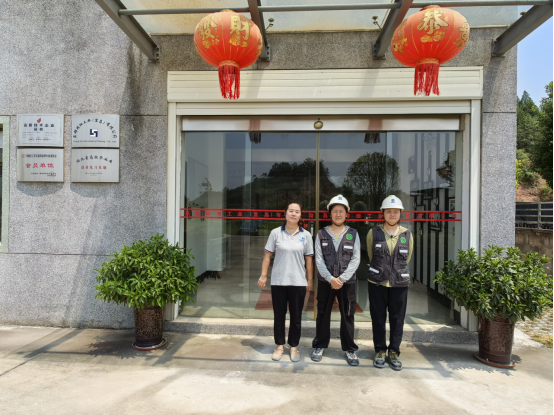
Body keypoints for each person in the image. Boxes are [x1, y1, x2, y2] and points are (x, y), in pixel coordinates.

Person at [259, 202, 314, 363]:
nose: (293, 214)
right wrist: (263, 276)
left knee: (296, 316)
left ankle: (294, 346)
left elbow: (309, 260)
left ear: (300, 215)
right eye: (291, 211)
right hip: (279, 281)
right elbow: (267, 256)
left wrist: (310, 280)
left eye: (297, 211)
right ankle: (279, 346)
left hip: (298, 282)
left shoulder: (306, 235)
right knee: (279, 315)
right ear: (285, 213)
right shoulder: (275, 233)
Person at [311, 195, 361, 366]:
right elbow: (319, 260)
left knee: (348, 315)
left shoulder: (353, 234)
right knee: (323, 314)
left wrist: (341, 279)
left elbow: (356, 259)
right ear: (330, 214)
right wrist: (331, 278)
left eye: (341, 211)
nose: (338, 214)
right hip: (326, 282)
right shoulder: (321, 234)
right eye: (335, 211)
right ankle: (319, 345)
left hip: (347, 283)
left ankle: (350, 349)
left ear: (347, 214)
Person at [367, 195, 414, 371]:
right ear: (383, 213)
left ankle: (394, 352)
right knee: (378, 318)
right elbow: (371, 255)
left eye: (395, 211)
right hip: (377, 283)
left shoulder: (407, 234)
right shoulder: (374, 233)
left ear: (400, 213)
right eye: (389, 211)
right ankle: (379, 350)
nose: (392, 214)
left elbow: (407, 257)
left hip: (399, 284)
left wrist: (394, 272)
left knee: (397, 319)